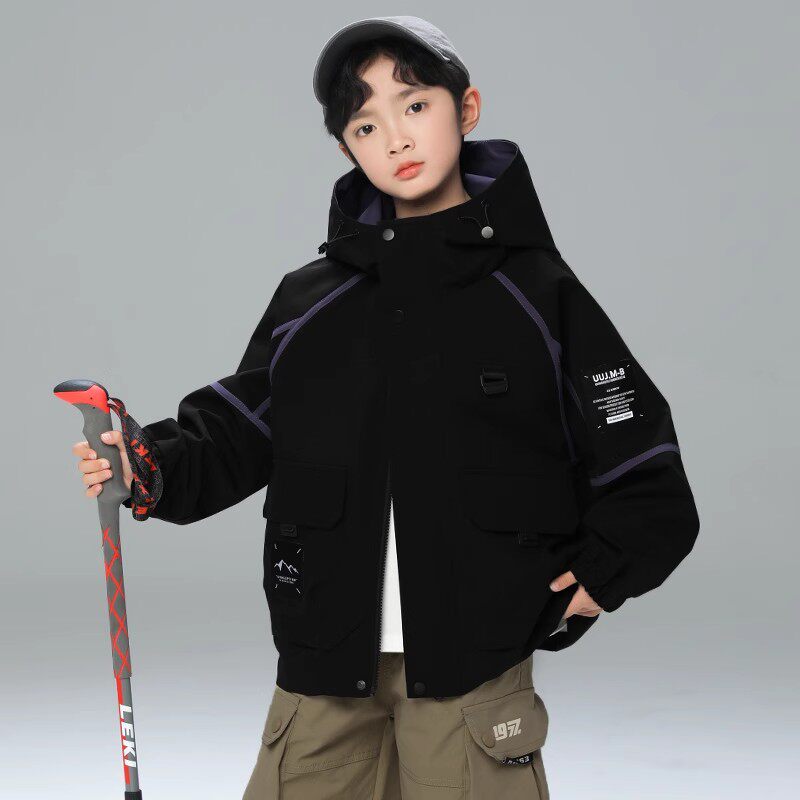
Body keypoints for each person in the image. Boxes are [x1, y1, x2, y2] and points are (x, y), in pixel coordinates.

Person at [70, 16, 700, 799]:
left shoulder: (538, 293)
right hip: (324, 658)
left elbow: (639, 450)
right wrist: (149, 464)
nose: (396, 137)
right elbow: (241, 427)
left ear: (466, 108)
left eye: (415, 105)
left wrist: (608, 568)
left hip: (474, 661)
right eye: (366, 125)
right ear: (348, 150)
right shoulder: (312, 300)